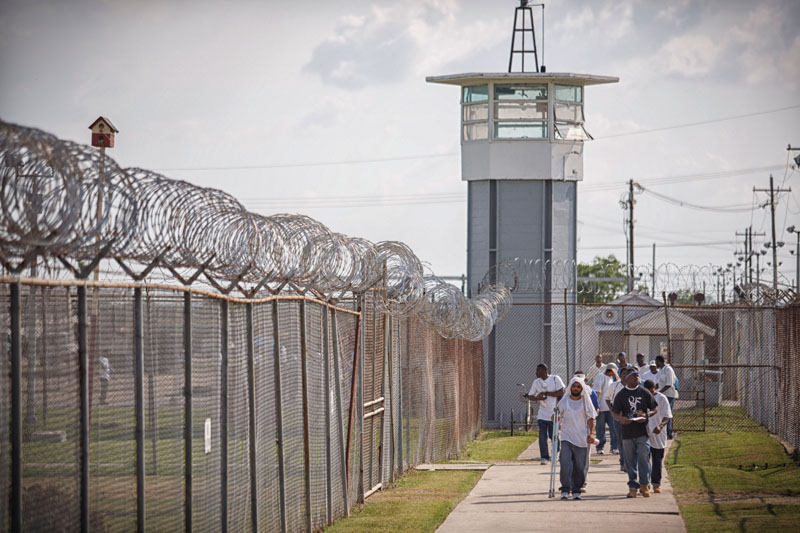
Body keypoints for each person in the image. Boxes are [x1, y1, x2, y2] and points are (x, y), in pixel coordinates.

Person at [612, 369, 657, 498]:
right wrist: (621, 419)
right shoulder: (621, 394)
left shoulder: (644, 392)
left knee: (643, 457)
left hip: (642, 431)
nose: (637, 378)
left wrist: (647, 415)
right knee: (629, 461)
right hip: (627, 432)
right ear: (627, 378)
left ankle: (644, 485)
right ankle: (632, 486)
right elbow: (614, 413)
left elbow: (655, 408)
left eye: (638, 376)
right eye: (634, 376)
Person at [556, 376, 596, 500]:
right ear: (570, 387)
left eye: (578, 387)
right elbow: (557, 414)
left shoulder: (585, 401)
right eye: (574, 386)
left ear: (581, 388)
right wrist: (555, 417)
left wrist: (591, 434)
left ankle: (577, 489)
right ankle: (565, 489)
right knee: (565, 463)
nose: (576, 388)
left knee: (579, 466)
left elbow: (591, 419)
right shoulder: (565, 401)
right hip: (566, 437)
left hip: (581, 438)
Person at [525, 364, 565, 465]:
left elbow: (561, 391)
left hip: (554, 413)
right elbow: (530, 396)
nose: (536, 373)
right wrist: (539, 398)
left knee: (554, 436)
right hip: (542, 414)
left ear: (544, 371)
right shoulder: (536, 382)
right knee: (542, 437)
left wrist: (547, 394)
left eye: (538, 370)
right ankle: (544, 457)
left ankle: (555, 453)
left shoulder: (555, 379)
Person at [644, 379, 672, 494]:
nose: (650, 393)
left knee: (657, 460)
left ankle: (656, 484)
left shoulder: (662, 398)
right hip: (645, 433)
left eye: (651, 390)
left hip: (658, 433)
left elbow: (667, 416)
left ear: (655, 388)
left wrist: (660, 426)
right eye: (647, 391)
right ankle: (645, 484)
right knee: (644, 460)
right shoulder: (643, 397)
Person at [605, 366, 631, 470]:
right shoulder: (614, 386)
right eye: (623, 374)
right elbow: (607, 398)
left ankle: (630, 462)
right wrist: (612, 411)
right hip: (618, 417)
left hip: (629, 416)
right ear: (620, 375)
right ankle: (623, 462)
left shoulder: (632, 386)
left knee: (629, 440)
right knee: (620, 439)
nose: (625, 376)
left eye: (627, 374)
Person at [594, 363, 618, 455]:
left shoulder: (611, 379)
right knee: (600, 429)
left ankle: (614, 447)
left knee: (613, 428)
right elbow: (597, 392)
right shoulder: (601, 377)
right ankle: (600, 447)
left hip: (610, 408)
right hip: (601, 408)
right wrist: (597, 406)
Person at [655, 355, 679, 439]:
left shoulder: (668, 369)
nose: (655, 363)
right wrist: (653, 389)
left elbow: (669, 384)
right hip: (663, 395)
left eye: (656, 362)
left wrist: (659, 393)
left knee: (668, 414)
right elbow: (659, 383)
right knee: (662, 413)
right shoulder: (661, 370)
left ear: (659, 361)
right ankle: (664, 432)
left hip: (669, 395)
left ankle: (669, 433)